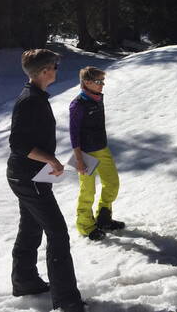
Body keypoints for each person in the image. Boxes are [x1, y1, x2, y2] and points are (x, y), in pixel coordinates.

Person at [7, 49, 85, 312]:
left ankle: (25, 280)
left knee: (31, 228)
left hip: (26, 175)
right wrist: (50, 160)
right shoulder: (30, 100)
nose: (56, 70)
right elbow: (18, 143)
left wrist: (49, 159)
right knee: (58, 233)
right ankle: (66, 301)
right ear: (43, 71)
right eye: (54, 66)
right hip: (29, 178)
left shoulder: (36, 97)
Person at [69, 66, 124, 242]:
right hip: (85, 153)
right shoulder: (78, 104)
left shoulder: (97, 98)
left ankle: (104, 218)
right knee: (88, 190)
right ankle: (85, 226)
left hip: (102, 148)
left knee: (112, 183)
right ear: (86, 83)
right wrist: (78, 158)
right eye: (98, 82)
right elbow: (74, 133)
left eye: (103, 81)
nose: (102, 85)